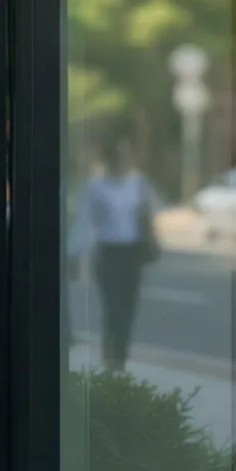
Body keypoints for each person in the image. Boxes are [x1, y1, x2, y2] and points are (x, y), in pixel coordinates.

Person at [76, 137, 163, 373]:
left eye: (127, 156)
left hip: (132, 254)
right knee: (113, 309)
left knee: (128, 310)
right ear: (108, 159)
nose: (123, 161)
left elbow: (156, 208)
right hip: (107, 253)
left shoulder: (139, 183)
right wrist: (74, 255)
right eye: (118, 156)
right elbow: (84, 223)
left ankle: (120, 361)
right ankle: (110, 360)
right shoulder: (95, 186)